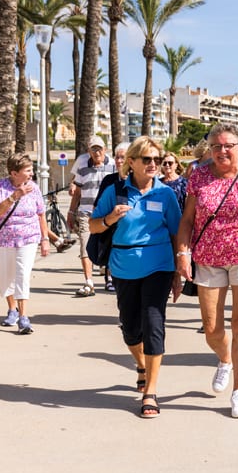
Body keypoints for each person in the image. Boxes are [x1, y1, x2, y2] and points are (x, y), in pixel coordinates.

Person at [175, 123, 238, 418]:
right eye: (216, 146)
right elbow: (187, 220)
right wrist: (183, 253)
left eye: (228, 145)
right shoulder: (199, 176)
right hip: (208, 257)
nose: (222, 151)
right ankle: (224, 358)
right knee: (211, 328)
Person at [90, 136, 182, 419]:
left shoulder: (165, 194)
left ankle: (150, 391)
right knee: (130, 328)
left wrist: (179, 272)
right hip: (123, 265)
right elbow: (93, 227)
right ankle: (141, 365)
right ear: (132, 162)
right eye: (147, 159)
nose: (154, 164)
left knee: (154, 324)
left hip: (159, 265)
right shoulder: (115, 192)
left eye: (157, 159)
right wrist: (111, 219)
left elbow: (177, 233)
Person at [0, 153, 50, 334]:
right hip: (4, 238)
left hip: (29, 238)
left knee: (22, 274)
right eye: (28, 170)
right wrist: (14, 196)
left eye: (32, 170)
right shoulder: (0, 186)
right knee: (6, 276)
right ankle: (12, 310)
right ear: (14, 173)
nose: (31, 174)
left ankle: (24, 317)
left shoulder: (34, 188)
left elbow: (41, 214)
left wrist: (45, 238)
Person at [67, 136, 116, 297]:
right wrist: (71, 212)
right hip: (86, 212)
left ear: (105, 149)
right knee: (85, 246)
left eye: (99, 148)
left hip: (107, 213)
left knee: (109, 245)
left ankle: (109, 278)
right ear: (88, 151)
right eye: (93, 149)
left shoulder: (113, 165)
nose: (97, 152)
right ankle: (89, 282)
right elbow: (78, 192)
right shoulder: (82, 166)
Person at [92, 142, 129, 292]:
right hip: (110, 223)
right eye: (117, 157)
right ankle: (110, 277)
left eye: (123, 157)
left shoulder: (138, 180)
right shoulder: (109, 180)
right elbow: (98, 205)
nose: (119, 161)